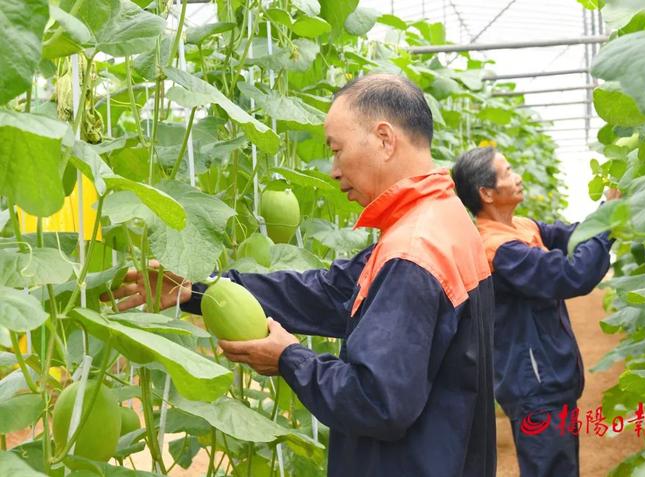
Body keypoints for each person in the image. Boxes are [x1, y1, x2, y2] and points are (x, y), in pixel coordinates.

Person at [111, 74, 497, 477]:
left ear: (384, 139)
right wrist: (195, 290)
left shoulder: (413, 251)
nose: (333, 169)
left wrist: (289, 359)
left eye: (337, 149)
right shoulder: (440, 221)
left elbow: (377, 402)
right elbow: (331, 293)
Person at [451, 146, 619, 477]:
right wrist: (610, 220)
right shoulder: (498, 249)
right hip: (535, 387)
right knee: (551, 468)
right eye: (509, 172)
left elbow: (575, 236)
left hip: (550, 377)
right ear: (486, 192)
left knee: (561, 466)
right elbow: (573, 275)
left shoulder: (522, 227)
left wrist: (607, 212)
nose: (518, 177)